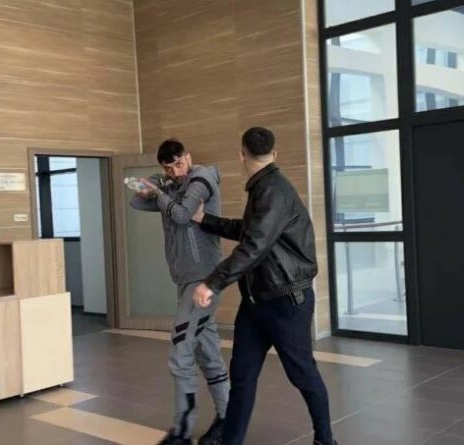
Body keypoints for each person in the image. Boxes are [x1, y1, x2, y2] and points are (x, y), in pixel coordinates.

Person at [192, 127, 338, 445]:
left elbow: (253, 246)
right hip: (257, 301)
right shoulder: (264, 188)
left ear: (241, 155)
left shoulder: (274, 190)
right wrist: (207, 220)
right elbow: (251, 231)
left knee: (302, 373)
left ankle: (326, 440)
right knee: (242, 375)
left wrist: (212, 282)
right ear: (274, 154)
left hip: (286, 302)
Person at [130, 139, 229, 445]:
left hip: (204, 281)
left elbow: (183, 215)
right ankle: (229, 417)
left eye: (178, 163)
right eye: (168, 168)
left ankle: (182, 432)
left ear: (188, 156)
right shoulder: (171, 187)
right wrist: (155, 186)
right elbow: (137, 203)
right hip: (186, 281)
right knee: (207, 353)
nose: (176, 171)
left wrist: (159, 192)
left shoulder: (201, 179)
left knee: (180, 354)